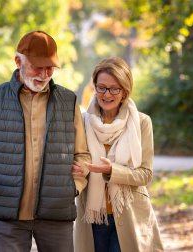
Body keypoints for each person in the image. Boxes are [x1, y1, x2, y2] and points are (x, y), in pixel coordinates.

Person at [0, 30, 91, 252]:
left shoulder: (69, 101)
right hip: (8, 213)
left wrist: (73, 185)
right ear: (18, 61)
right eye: (38, 67)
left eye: (50, 68)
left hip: (56, 211)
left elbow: (82, 153)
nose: (45, 74)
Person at [73, 57, 164, 252]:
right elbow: (78, 161)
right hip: (92, 215)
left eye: (114, 88)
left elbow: (145, 174)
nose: (107, 94)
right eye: (101, 87)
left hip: (129, 213)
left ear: (124, 91)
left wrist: (112, 171)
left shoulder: (141, 122)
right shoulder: (82, 121)